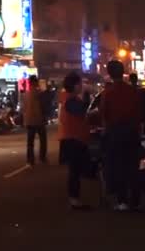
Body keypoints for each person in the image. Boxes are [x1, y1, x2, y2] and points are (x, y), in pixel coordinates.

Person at [100, 60, 142, 211]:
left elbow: (104, 114)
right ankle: (135, 199)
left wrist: (106, 130)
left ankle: (122, 200)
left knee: (118, 167)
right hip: (131, 132)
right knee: (132, 166)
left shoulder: (108, 93)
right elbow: (138, 113)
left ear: (110, 74)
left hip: (115, 132)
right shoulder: (132, 91)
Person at [58, 72, 92, 209]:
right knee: (74, 171)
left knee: (76, 171)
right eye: (80, 83)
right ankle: (74, 200)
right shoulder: (70, 100)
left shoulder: (69, 98)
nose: (82, 86)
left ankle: (75, 199)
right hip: (72, 139)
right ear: (75, 85)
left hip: (73, 138)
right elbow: (82, 111)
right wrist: (87, 96)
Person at [23, 75, 48, 165]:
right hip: (38, 120)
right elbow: (42, 107)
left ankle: (30, 159)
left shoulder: (26, 94)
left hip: (29, 120)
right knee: (43, 140)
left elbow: (24, 108)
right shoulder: (39, 94)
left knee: (30, 142)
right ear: (35, 82)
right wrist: (44, 117)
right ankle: (42, 157)